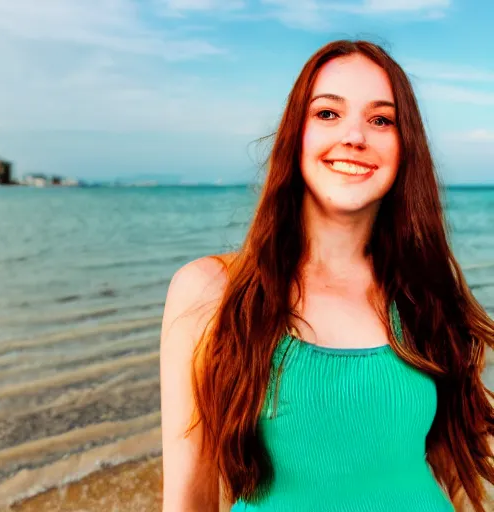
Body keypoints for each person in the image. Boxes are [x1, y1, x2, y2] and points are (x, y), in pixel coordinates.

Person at [160, 39, 494, 512]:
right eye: (328, 114)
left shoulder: (425, 295)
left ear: (405, 148)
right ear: (295, 134)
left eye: (381, 120)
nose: (355, 137)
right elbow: (188, 499)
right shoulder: (210, 290)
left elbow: (447, 477)